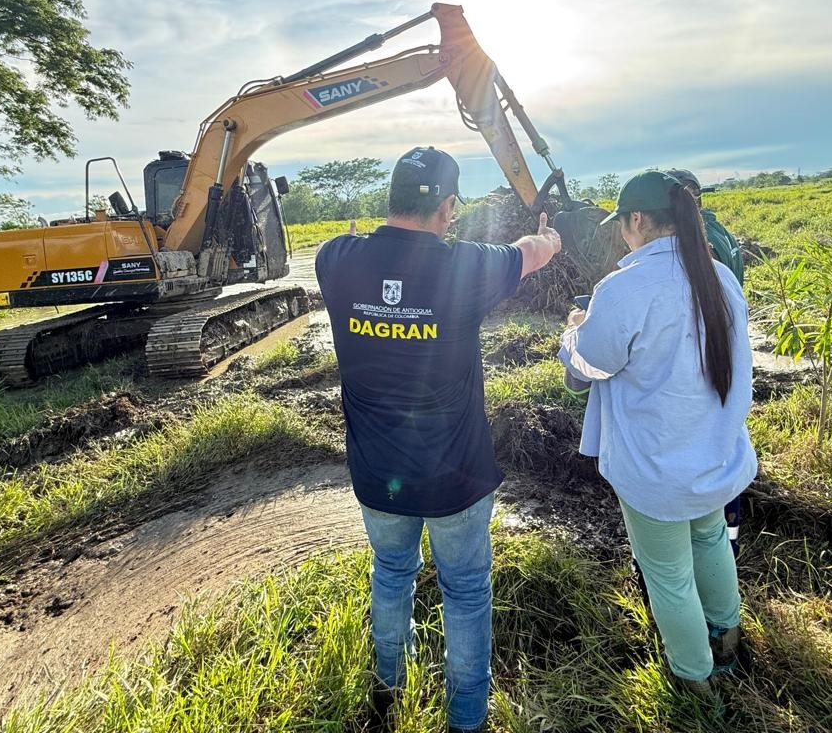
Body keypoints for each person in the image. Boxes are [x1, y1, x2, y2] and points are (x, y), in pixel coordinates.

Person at [316, 146, 562, 733]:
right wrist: (548, 241)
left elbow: (348, 253)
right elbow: (529, 254)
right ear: (448, 207)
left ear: (391, 198)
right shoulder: (464, 266)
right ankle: (467, 719)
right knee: (467, 591)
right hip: (457, 476)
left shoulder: (335, 258)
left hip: (378, 475)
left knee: (391, 573)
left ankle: (387, 692)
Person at [557, 170, 755, 701]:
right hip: (712, 454)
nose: (622, 233)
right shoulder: (719, 278)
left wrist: (573, 330)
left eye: (622, 223)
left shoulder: (625, 287)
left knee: (667, 572)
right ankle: (728, 637)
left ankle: (694, 679)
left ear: (637, 220)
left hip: (655, 466)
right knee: (711, 539)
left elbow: (589, 364)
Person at [668, 168, 746, 556]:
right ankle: (726, 545)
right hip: (724, 357)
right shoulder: (720, 233)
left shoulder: (699, 246)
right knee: (724, 444)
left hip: (700, 360)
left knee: (700, 457)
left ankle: (709, 547)